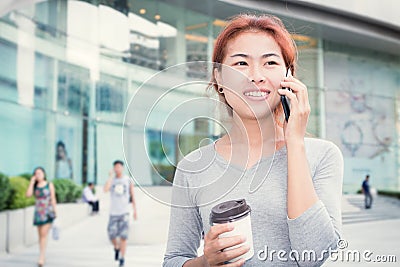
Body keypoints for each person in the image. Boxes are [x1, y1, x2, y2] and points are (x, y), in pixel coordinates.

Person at [163, 14, 343, 267]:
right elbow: (173, 259)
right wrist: (205, 262)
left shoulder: (322, 155)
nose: (256, 76)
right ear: (219, 78)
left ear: (288, 76)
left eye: (270, 62)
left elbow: (313, 256)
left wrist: (295, 144)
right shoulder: (192, 167)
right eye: (241, 64)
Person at [104, 160, 138, 267]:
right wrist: (110, 177)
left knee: (123, 237)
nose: (117, 169)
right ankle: (116, 247)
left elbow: (132, 195)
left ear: (122, 168)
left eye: (119, 167)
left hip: (124, 213)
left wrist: (135, 210)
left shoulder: (127, 180)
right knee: (111, 235)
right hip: (113, 213)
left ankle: (122, 258)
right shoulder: (112, 180)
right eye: (115, 167)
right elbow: (105, 190)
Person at [26, 167, 57, 267]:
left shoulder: (49, 185)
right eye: (36, 173)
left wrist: (55, 212)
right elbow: (28, 195)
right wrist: (31, 182)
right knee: (40, 236)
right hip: (38, 213)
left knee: (43, 234)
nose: (38, 175)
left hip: (47, 212)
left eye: (40, 173)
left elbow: (53, 198)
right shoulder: (35, 186)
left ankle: (41, 257)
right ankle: (42, 254)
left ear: (44, 173)